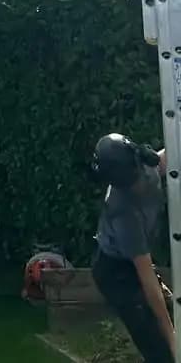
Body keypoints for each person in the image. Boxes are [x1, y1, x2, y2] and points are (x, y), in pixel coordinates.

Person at [91, 132, 173, 362]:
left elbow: (174, 155)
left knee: (173, 318)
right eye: (128, 183)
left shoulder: (146, 163)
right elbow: (147, 281)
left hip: (135, 263)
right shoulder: (122, 211)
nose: (137, 186)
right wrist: (173, 339)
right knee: (159, 347)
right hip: (116, 275)